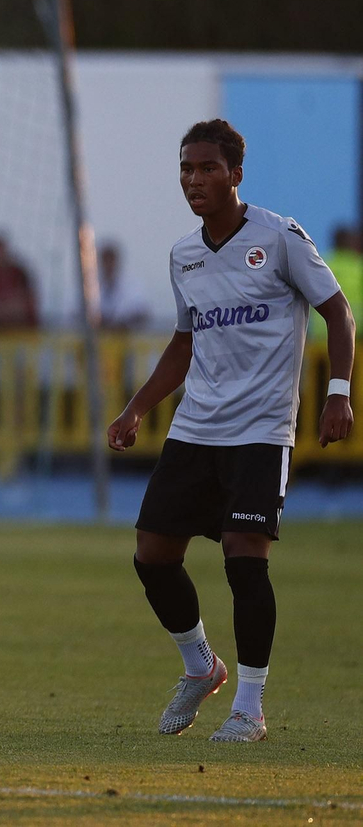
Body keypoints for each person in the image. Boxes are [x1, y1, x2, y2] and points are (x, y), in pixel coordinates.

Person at [107, 119, 353, 744]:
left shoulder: (279, 238)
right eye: (187, 169)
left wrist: (338, 393)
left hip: (262, 432)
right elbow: (184, 344)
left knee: (245, 563)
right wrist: (136, 409)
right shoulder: (183, 255)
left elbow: (338, 313)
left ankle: (249, 707)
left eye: (208, 168)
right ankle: (199, 665)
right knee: (152, 556)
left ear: (236, 174)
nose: (195, 180)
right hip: (196, 428)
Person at [97, 242, 150, 330]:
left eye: (111, 261)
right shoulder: (91, 285)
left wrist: (123, 322)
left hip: (127, 337)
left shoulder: (133, 285)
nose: (108, 265)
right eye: (105, 261)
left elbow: (143, 313)